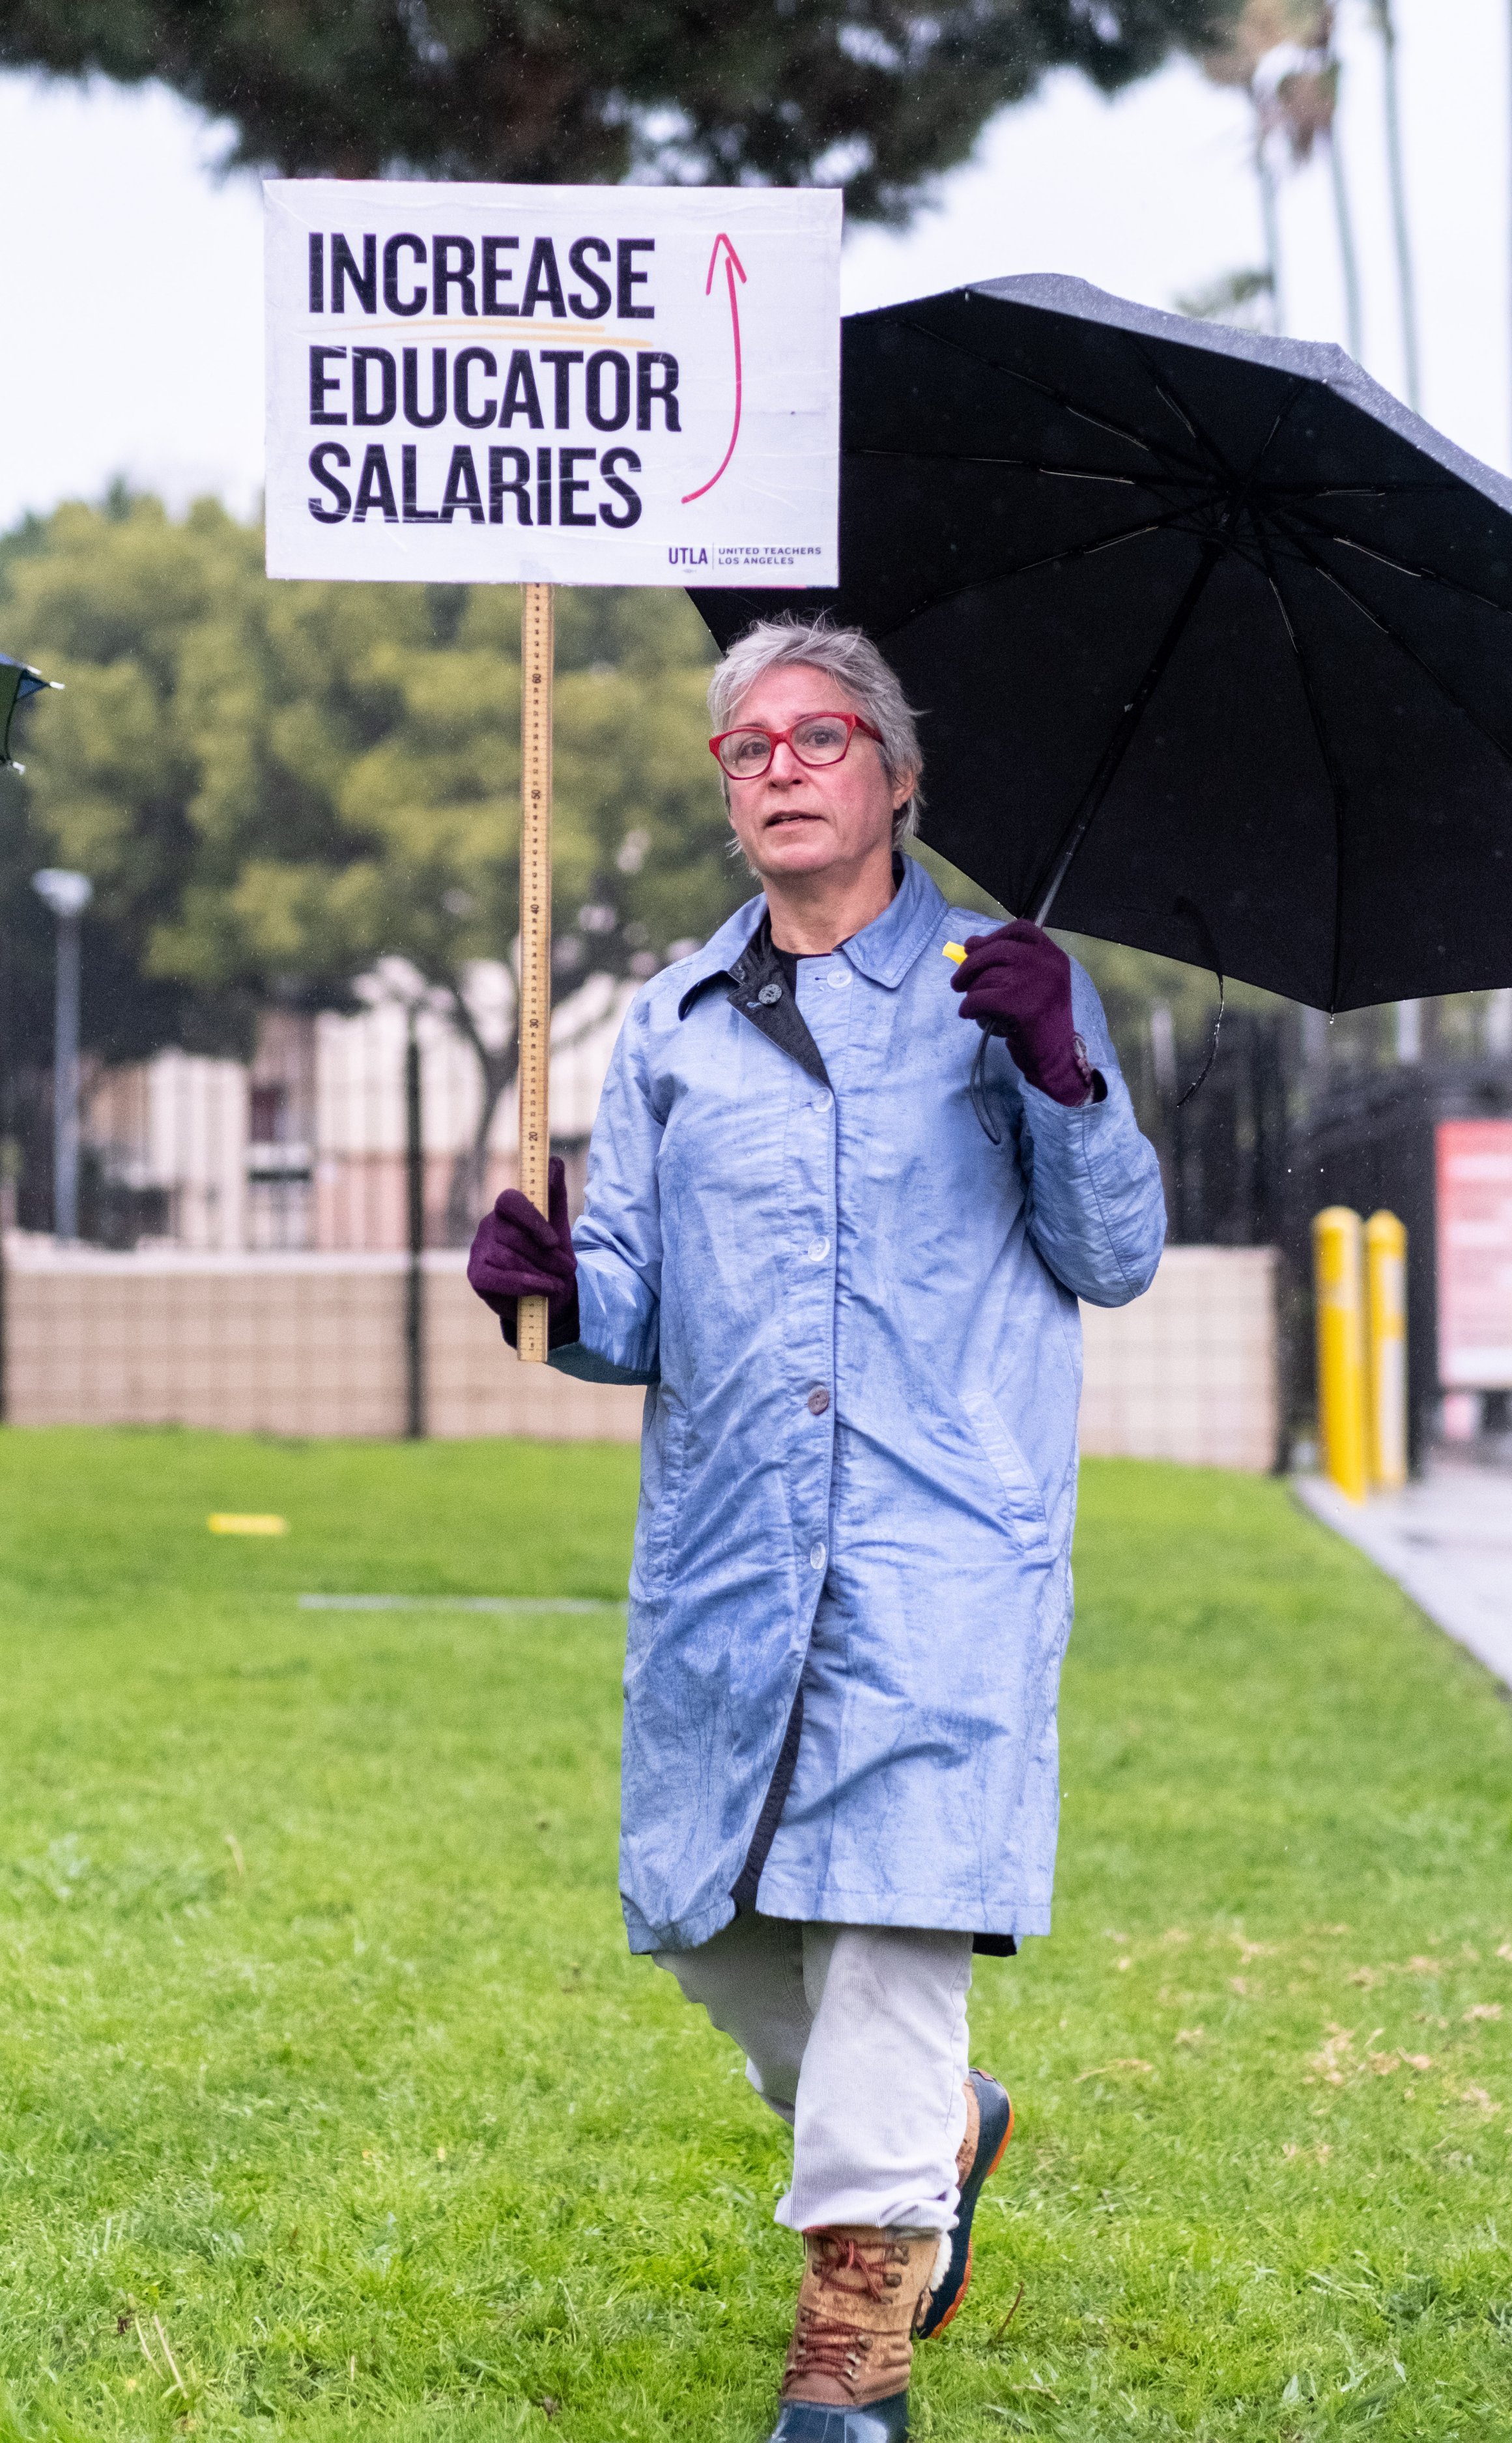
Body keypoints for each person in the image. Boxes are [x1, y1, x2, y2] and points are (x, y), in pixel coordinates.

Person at [469, 618, 1166, 2442]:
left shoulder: (1005, 984)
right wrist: (546, 1289)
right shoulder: (673, 1031)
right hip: (730, 1550)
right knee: (709, 1924)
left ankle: (850, 2347)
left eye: (820, 737)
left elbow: (1114, 1256)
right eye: (746, 748)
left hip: (940, 1549)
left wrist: (1059, 1076)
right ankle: (931, 2133)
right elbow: (635, 1305)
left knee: (883, 1918)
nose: (780, 766)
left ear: (897, 776)